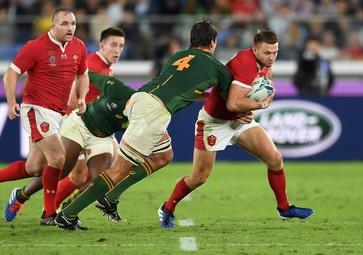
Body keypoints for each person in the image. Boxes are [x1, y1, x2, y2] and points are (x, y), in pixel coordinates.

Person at [54, 19, 273, 231]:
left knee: (163, 156)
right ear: (213, 43)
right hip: (153, 113)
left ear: (192, 39)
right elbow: (230, 102)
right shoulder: (218, 68)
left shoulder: (178, 56)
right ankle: (68, 214)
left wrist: (204, 97)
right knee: (119, 170)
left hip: (140, 99)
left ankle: (109, 197)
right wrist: (253, 105)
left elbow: (180, 87)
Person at [158, 30, 314, 228]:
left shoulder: (265, 66)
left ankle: (284, 208)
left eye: (275, 52)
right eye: (267, 52)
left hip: (239, 121)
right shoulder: (245, 63)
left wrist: (251, 112)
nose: (272, 57)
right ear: (255, 49)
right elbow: (233, 103)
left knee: (275, 159)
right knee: (199, 177)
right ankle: (167, 208)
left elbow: (256, 93)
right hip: (215, 121)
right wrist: (262, 105)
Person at [2, 27, 126, 224]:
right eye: (113, 45)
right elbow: (70, 89)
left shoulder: (104, 66)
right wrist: (79, 104)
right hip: (75, 124)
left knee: (49, 169)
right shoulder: (92, 64)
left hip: (94, 127)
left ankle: (46, 207)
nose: (117, 50)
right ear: (101, 45)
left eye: (120, 46)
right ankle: (47, 208)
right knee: (57, 170)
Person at [1, 8, 89, 224]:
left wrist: (82, 97)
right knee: (58, 157)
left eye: (73, 23)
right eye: (65, 24)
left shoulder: (79, 46)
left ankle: (20, 195)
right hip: (36, 109)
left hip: (58, 113)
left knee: (35, 168)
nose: (70, 28)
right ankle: (49, 214)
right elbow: (11, 73)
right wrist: (12, 102)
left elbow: (82, 75)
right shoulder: (36, 46)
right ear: (53, 26)